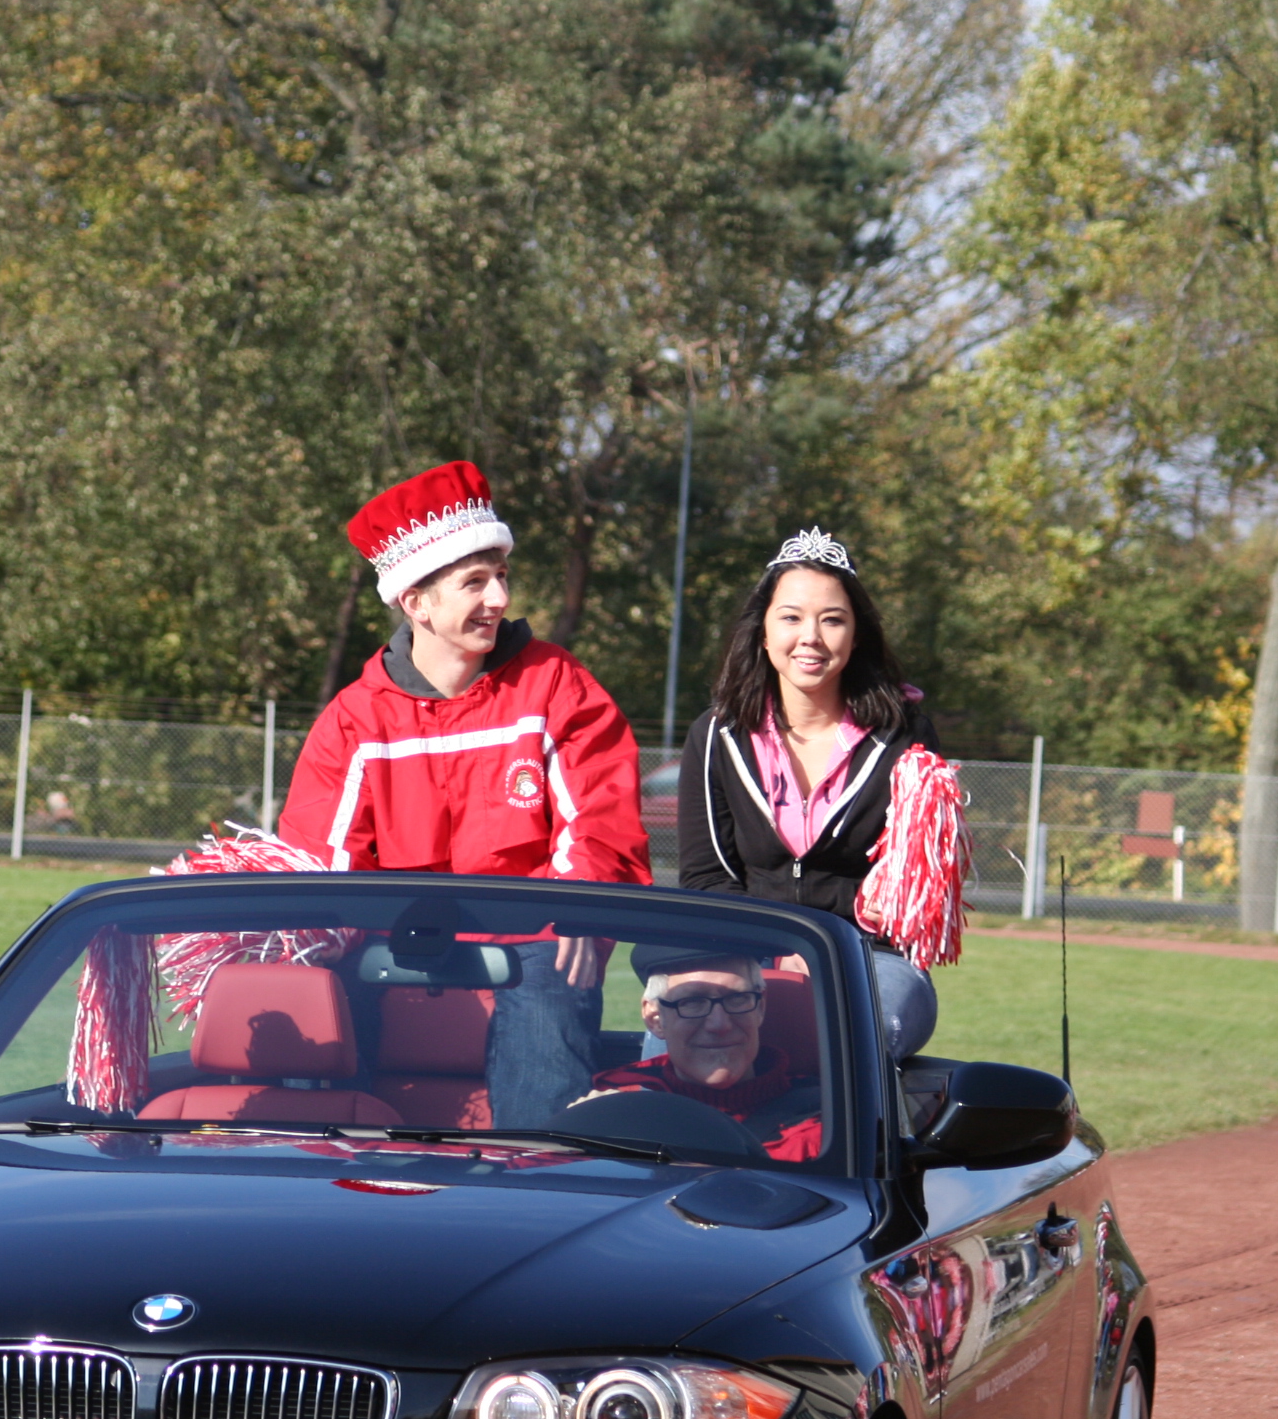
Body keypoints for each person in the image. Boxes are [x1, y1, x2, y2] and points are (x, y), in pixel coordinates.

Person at [278, 460, 651, 1127]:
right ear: (415, 603)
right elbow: (320, 863)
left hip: (534, 938)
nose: (500, 599)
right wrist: (317, 942)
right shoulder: (355, 719)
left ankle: (535, 1168)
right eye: (475, 582)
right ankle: (326, 1165)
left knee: (554, 974)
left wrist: (581, 911)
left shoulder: (555, 685)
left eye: (501, 576)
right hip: (391, 942)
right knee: (314, 988)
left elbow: (600, 820)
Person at [674, 527, 939, 1054]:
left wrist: (824, 946)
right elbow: (705, 878)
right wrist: (782, 942)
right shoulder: (715, 735)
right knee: (673, 1037)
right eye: (791, 617)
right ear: (763, 631)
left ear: (857, 635)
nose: (810, 637)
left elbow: (909, 891)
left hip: (871, 957)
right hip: (742, 951)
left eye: (832, 620)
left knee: (854, 1038)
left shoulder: (906, 736)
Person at [584, 948, 822, 1162]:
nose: (719, 1024)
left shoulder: (825, 1127)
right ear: (655, 1018)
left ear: (760, 1007)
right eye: (692, 1002)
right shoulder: (615, 1107)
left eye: (737, 999)